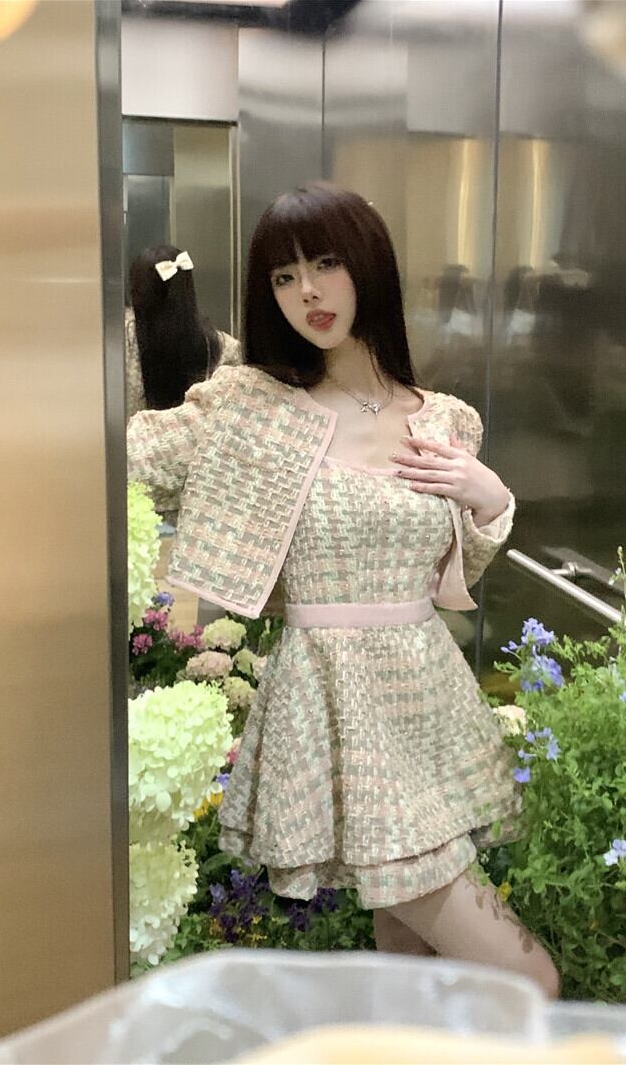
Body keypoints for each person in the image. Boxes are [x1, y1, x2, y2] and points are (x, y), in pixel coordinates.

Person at [127, 183, 559, 998]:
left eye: (325, 264)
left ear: (368, 266)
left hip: (427, 699)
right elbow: (127, 456)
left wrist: (489, 496)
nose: (308, 292)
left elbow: (452, 575)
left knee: (408, 963)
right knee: (529, 977)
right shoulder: (252, 407)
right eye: (284, 277)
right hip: (338, 709)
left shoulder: (446, 419)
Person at [125, 244, 242, 423]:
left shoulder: (119, 346)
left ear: (137, 291)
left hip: (132, 440)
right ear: (188, 287)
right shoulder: (227, 349)